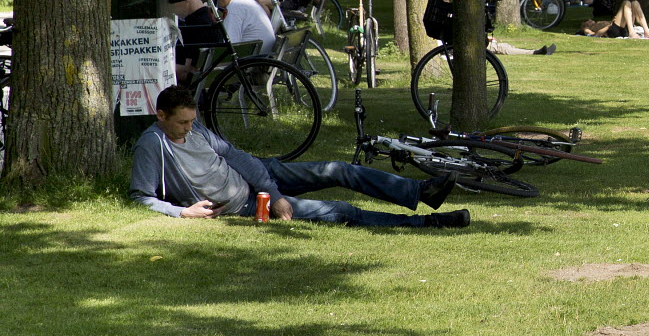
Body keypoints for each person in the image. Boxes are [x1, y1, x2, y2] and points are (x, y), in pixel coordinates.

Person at [131, 86, 468, 228]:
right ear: (160, 115)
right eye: (182, 122)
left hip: (262, 179)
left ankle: (419, 192)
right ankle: (426, 222)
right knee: (340, 211)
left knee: (338, 169)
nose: (189, 128)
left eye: (192, 121)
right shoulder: (153, 145)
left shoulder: (196, 129)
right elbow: (141, 197)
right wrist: (182, 213)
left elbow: (236, 156)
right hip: (247, 205)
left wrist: (275, 194)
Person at [206, 0, 277, 54]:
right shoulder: (242, 1)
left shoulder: (234, 8)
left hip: (253, 61)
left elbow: (230, 47)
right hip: (263, 57)